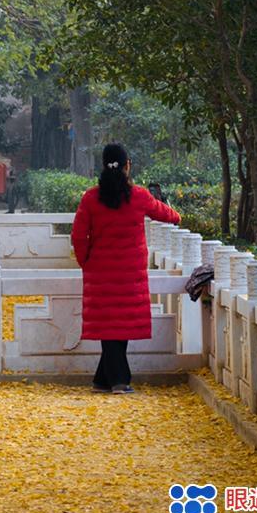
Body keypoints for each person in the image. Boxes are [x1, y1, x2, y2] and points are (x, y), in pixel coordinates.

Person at [71, 142, 181, 394]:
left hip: (99, 273)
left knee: (111, 324)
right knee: (120, 323)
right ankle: (120, 380)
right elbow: (164, 213)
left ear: (102, 166)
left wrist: (85, 261)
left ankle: (102, 380)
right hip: (130, 274)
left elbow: (78, 236)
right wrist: (177, 216)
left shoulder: (90, 198)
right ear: (127, 166)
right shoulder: (140, 196)